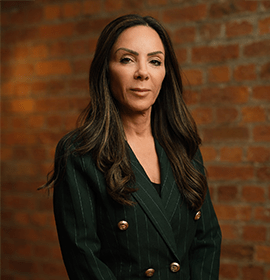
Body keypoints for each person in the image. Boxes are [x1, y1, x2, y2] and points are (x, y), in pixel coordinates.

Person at [43, 14, 221, 280]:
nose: (142, 72)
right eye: (127, 59)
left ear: (165, 73)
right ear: (106, 69)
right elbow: (85, 260)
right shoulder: (79, 153)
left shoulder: (184, 147)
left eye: (155, 61)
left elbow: (207, 240)